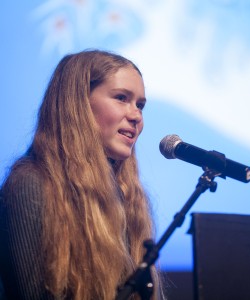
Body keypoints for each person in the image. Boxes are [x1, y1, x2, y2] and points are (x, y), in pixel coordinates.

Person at [0, 49, 162, 300]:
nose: (136, 116)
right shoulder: (32, 184)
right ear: (79, 104)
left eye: (140, 105)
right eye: (121, 98)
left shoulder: (129, 196)